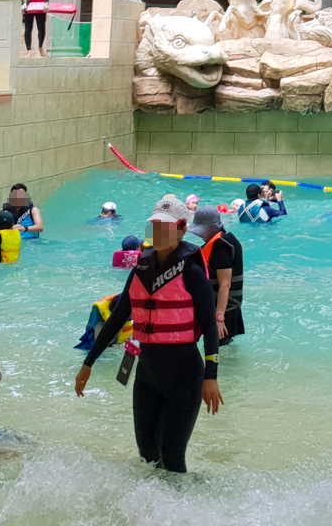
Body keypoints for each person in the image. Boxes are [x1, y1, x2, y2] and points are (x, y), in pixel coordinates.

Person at [75, 194, 224, 473]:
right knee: (147, 457)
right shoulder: (140, 269)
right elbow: (117, 318)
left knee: (172, 456)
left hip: (185, 375)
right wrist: (88, 362)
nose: (158, 233)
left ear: (182, 229)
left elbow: (208, 324)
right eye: (154, 226)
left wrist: (211, 377)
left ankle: (183, 501)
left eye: (165, 227)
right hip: (147, 375)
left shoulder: (192, 270)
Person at [191, 204, 243, 344]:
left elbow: (225, 284)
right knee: (225, 347)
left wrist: (219, 317)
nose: (199, 234)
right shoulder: (226, 240)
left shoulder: (221, 247)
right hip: (228, 306)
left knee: (218, 347)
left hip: (224, 310)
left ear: (210, 228)